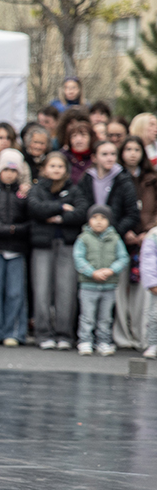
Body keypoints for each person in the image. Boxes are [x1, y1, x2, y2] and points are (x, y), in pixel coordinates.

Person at [27, 152, 88, 350]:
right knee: (42, 290)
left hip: (67, 244)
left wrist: (59, 218)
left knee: (66, 290)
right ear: (44, 169)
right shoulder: (37, 189)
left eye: (60, 166)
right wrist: (61, 207)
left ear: (66, 170)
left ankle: (64, 334)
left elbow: (81, 212)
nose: (56, 169)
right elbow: (36, 208)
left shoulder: (74, 190)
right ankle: (43, 334)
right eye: (52, 166)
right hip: (42, 245)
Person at [0, 149, 30, 347]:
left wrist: (15, 230)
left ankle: (14, 332)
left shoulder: (25, 194)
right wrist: (6, 230)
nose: (10, 174)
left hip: (17, 250)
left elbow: (32, 220)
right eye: (6, 170)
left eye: (14, 170)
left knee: (15, 293)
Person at [116, 135, 157, 349]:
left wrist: (148, 232)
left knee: (144, 291)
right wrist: (125, 231)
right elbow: (112, 208)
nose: (132, 153)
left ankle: (144, 337)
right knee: (120, 290)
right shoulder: (117, 176)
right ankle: (123, 337)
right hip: (122, 238)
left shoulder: (152, 178)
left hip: (148, 241)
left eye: (137, 149)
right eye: (128, 149)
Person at [74, 204, 128, 357]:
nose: (99, 221)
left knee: (105, 317)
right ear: (88, 220)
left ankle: (103, 341)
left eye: (103, 218)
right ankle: (85, 341)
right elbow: (78, 259)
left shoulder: (115, 238)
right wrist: (92, 272)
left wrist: (111, 270)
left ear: (109, 221)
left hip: (108, 286)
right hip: (88, 285)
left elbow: (123, 258)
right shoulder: (83, 238)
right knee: (87, 316)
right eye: (94, 218)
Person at [74, 141, 139, 239]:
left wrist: (115, 232)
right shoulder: (86, 179)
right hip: (89, 236)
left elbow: (132, 213)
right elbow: (81, 207)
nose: (110, 158)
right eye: (104, 154)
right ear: (94, 158)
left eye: (113, 154)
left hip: (114, 237)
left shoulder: (124, 180)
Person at [61, 116, 95, 185]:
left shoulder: (96, 157)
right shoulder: (63, 157)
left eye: (83, 135)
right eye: (74, 136)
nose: (78, 139)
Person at [139, 231, 157, 359]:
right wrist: (152, 283)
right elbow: (148, 260)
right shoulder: (153, 236)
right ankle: (153, 343)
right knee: (154, 316)